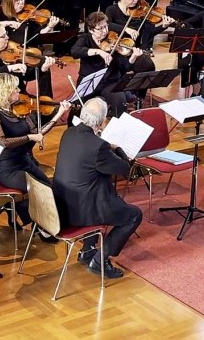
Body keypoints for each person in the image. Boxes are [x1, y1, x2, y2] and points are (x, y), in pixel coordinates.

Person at [52, 97, 142, 278]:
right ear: (101, 122)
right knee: (133, 215)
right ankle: (100, 260)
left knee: (95, 187)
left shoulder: (68, 133)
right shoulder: (99, 146)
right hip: (82, 209)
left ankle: (87, 250)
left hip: (62, 203)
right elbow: (124, 169)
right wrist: (117, 149)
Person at [0, 73, 68, 231]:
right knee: (41, 194)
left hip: (26, 161)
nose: (19, 90)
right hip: (9, 168)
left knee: (50, 191)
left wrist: (59, 114)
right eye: (14, 89)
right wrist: (28, 137)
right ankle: (42, 228)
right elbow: (2, 141)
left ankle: (17, 209)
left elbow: (38, 133)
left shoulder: (22, 109)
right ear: (4, 92)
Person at [72, 11, 152, 115]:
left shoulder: (114, 41)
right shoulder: (85, 39)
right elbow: (75, 51)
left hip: (110, 82)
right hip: (90, 81)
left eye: (106, 26)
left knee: (120, 103)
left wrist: (133, 57)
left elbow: (125, 67)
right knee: (75, 107)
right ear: (91, 30)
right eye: (100, 29)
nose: (105, 31)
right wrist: (99, 51)